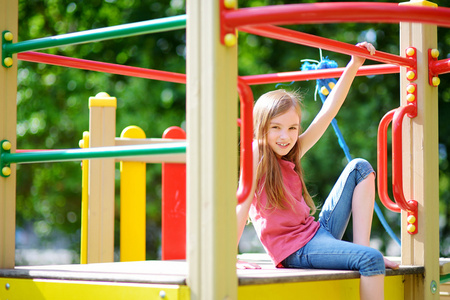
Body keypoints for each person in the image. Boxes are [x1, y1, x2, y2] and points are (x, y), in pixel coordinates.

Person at [236, 42, 399, 300]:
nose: (285, 136)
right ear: (261, 127)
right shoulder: (258, 153)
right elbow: (242, 204)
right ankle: (364, 255)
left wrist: (354, 64)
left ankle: (361, 248)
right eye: (276, 127)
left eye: (292, 128)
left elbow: (328, 111)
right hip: (293, 250)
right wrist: (228, 259)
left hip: (316, 233)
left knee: (360, 168)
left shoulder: (292, 150)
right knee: (371, 261)